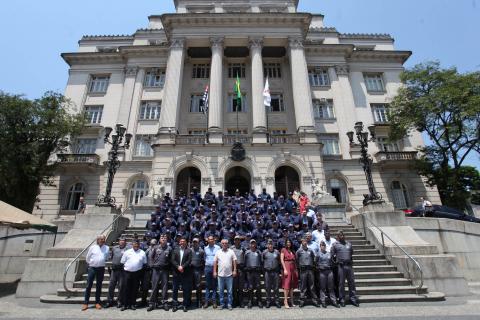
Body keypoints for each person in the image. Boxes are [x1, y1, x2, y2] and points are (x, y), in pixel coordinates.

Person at [331, 230, 359, 307]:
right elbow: (332, 256)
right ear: (337, 237)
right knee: (341, 284)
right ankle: (342, 299)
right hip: (341, 267)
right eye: (340, 235)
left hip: (349, 266)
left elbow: (351, 253)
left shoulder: (349, 244)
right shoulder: (335, 245)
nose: (342, 236)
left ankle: (353, 298)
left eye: (342, 235)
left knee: (352, 283)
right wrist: (337, 263)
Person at [82, 235, 109, 311]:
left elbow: (107, 257)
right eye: (101, 239)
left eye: (103, 239)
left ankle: (97, 302)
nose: (102, 240)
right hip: (92, 268)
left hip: (101, 269)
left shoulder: (106, 248)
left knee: (99, 286)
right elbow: (87, 258)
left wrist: (101, 261)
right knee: (88, 286)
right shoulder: (92, 247)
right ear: (97, 240)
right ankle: (85, 303)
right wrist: (92, 263)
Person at [120, 240, 147, 311]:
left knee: (135, 289)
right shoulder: (127, 252)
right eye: (135, 245)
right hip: (127, 273)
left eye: (137, 245)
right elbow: (122, 262)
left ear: (139, 245)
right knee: (126, 289)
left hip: (137, 273)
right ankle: (125, 304)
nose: (136, 246)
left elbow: (144, 263)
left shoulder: (142, 252)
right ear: (132, 245)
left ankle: (132, 304)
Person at [147, 234, 172, 312]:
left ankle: (164, 303)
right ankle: (152, 303)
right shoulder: (155, 247)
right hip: (156, 270)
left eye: (165, 237)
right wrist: (152, 266)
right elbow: (151, 257)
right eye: (162, 237)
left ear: (167, 239)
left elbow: (171, 259)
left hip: (165, 270)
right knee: (154, 287)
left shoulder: (169, 248)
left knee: (164, 287)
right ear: (159, 239)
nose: (163, 239)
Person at [213, 238, 237, 310]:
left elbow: (234, 261)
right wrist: (214, 271)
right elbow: (215, 262)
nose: (224, 244)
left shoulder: (231, 251)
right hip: (220, 275)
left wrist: (235, 270)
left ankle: (229, 304)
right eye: (223, 243)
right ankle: (222, 304)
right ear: (221, 244)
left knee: (230, 291)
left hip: (229, 275)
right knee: (220, 291)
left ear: (228, 244)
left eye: (225, 243)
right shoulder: (218, 252)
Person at [296, 237, 320, 308]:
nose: (305, 242)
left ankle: (314, 300)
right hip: (303, 270)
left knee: (312, 286)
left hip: (310, 270)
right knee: (303, 286)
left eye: (306, 241)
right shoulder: (299, 251)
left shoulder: (311, 250)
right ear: (301, 243)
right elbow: (296, 261)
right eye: (303, 241)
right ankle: (302, 301)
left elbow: (313, 258)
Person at [171, 237, 193, 312]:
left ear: (186, 243)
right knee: (175, 289)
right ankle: (174, 305)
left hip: (185, 272)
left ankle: (185, 305)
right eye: (181, 241)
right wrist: (178, 267)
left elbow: (189, 260)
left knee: (185, 289)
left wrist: (182, 267)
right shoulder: (175, 250)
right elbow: (173, 260)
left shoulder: (189, 251)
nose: (182, 242)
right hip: (176, 273)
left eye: (184, 241)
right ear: (179, 242)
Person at [106, 237, 128, 308]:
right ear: (119, 241)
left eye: (123, 241)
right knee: (111, 286)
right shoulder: (114, 248)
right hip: (114, 270)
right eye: (121, 240)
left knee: (121, 286)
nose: (122, 242)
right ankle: (109, 301)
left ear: (125, 242)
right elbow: (111, 257)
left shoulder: (127, 249)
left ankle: (119, 301)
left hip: (122, 270)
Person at [316, 241, 339, 308]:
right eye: (321, 245)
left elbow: (333, 261)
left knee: (331, 287)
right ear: (320, 247)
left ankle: (334, 300)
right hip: (322, 272)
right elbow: (315, 263)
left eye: (323, 245)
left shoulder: (329, 253)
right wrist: (319, 268)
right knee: (322, 287)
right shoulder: (318, 254)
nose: (322, 246)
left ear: (325, 246)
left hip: (329, 271)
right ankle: (323, 301)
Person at [244, 239, 263, 308]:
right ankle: (250, 301)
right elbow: (244, 262)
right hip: (250, 272)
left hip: (257, 271)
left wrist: (260, 269)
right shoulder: (247, 252)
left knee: (258, 286)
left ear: (256, 244)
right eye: (251, 243)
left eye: (254, 243)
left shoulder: (259, 252)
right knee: (250, 287)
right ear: (249, 244)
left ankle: (259, 301)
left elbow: (261, 261)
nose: (253, 245)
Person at [262, 239, 281, 308]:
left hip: (275, 272)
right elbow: (262, 261)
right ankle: (268, 301)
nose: (270, 245)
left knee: (276, 287)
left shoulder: (277, 252)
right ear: (267, 245)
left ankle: (277, 301)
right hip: (267, 272)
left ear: (273, 245)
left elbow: (279, 261)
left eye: (271, 244)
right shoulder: (264, 252)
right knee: (267, 287)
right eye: (269, 244)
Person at [203, 235, 220, 309]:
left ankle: (214, 301)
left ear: (214, 240)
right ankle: (206, 301)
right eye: (209, 239)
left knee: (214, 285)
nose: (210, 240)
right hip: (207, 267)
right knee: (207, 285)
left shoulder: (218, 248)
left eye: (212, 239)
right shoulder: (205, 248)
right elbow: (204, 258)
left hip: (215, 267)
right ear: (207, 240)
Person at [280, 239, 298, 308]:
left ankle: (292, 301)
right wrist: (284, 269)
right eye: (287, 242)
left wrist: (296, 270)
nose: (288, 243)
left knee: (292, 286)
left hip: (293, 268)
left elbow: (295, 261)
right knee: (287, 285)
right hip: (287, 266)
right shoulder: (283, 249)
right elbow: (281, 260)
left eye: (289, 242)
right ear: (285, 243)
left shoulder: (292, 251)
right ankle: (285, 301)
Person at [231, 235, 246, 308]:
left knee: (240, 287)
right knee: (234, 287)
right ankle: (235, 301)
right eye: (236, 240)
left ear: (240, 241)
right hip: (233, 269)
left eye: (238, 240)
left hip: (241, 269)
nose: (237, 241)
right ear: (234, 241)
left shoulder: (243, 248)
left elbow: (246, 258)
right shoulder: (231, 248)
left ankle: (241, 301)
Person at [190, 237, 205, 308]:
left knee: (198, 286)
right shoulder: (189, 250)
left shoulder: (201, 251)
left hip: (198, 270)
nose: (194, 243)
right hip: (190, 270)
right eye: (193, 242)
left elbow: (203, 261)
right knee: (189, 286)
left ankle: (199, 301)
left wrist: (202, 270)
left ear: (198, 243)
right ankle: (188, 300)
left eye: (196, 242)